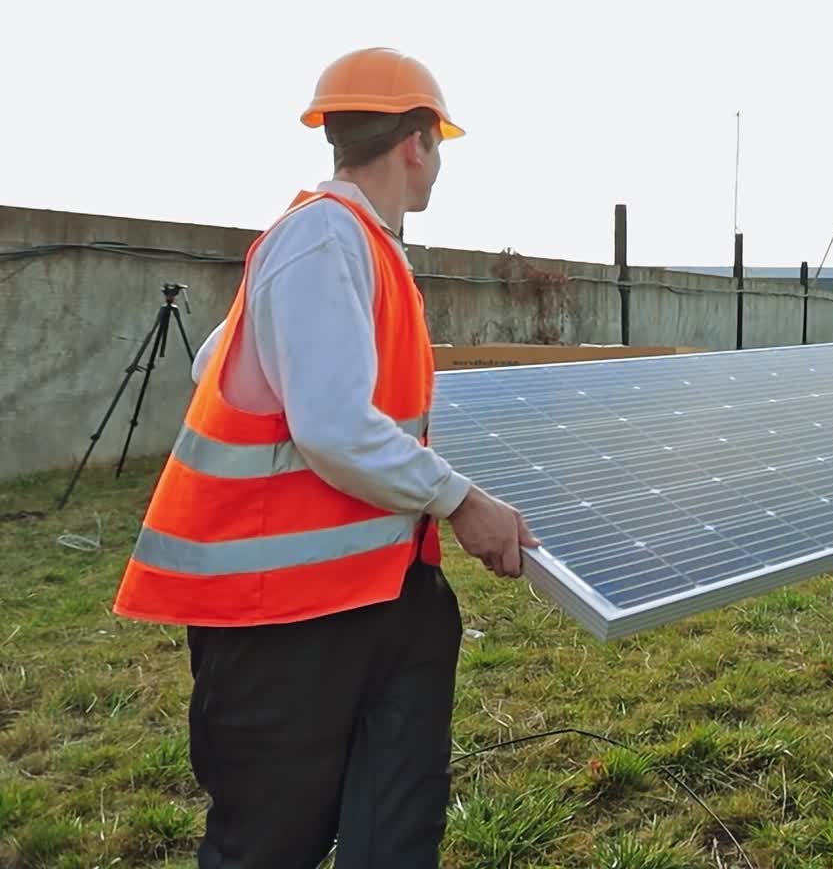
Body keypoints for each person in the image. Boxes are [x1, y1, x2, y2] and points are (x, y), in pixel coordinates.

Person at [113, 47, 540, 869]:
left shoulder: (352, 246)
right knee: (272, 845)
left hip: (382, 594)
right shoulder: (322, 238)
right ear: (415, 139)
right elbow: (334, 428)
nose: (438, 163)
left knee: (397, 828)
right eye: (438, 143)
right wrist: (461, 500)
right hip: (284, 620)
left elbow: (218, 362)